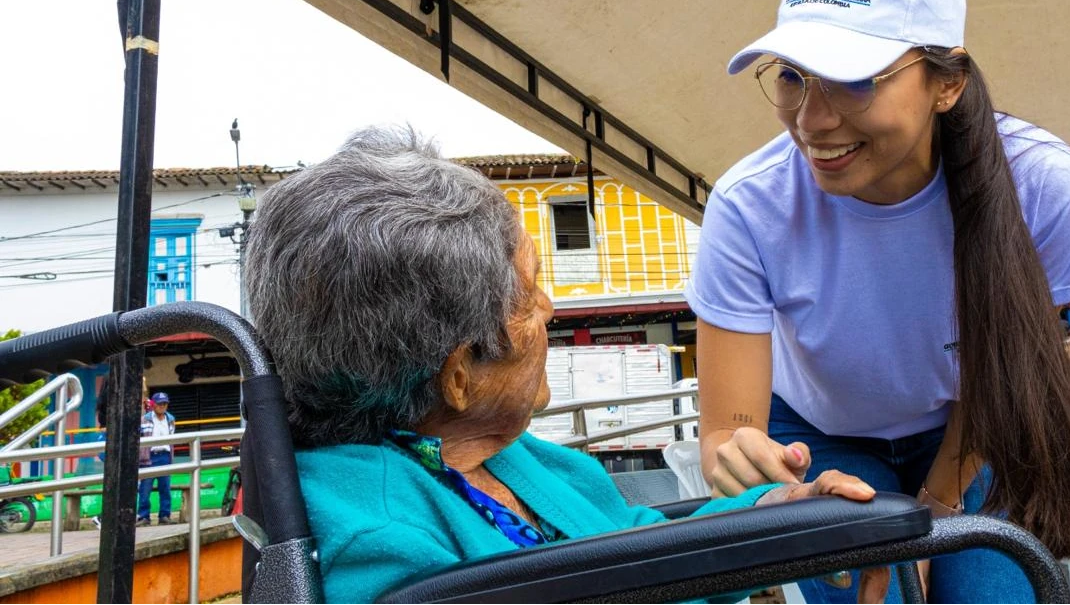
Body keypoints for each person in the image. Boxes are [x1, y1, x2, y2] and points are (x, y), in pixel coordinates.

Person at [242, 126, 881, 605]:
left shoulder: (519, 460)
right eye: (529, 293)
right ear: (459, 375)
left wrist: (785, 508)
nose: (549, 308)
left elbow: (637, 547)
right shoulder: (375, 539)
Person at [686, 0, 1070, 604]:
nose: (812, 118)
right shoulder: (748, 207)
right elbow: (727, 434)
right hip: (817, 430)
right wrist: (751, 467)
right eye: (793, 76)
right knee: (867, 593)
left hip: (970, 419)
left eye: (853, 79)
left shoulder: (1041, 184)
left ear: (947, 82)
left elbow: (1007, 368)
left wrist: (935, 505)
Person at [137, 391, 175, 526]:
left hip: (164, 456)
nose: (162, 406)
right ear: (153, 405)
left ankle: (165, 515)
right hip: (149, 457)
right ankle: (143, 516)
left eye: (165, 404)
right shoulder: (144, 419)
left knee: (165, 488)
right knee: (144, 489)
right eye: (160, 404)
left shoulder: (170, 419)